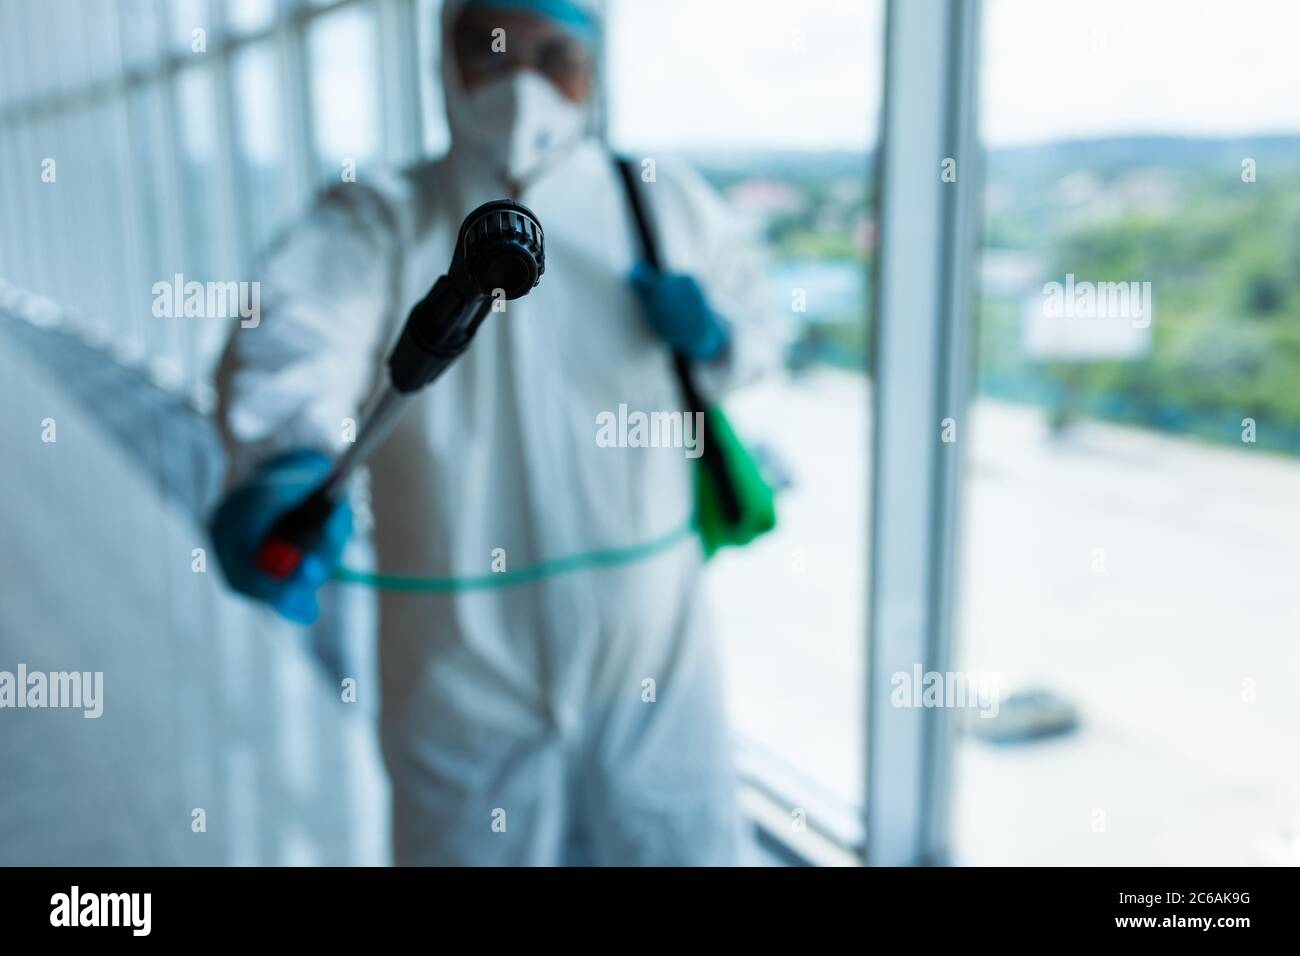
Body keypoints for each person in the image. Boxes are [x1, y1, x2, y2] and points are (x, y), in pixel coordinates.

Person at [211, 0, 777, 865]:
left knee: (678, 841)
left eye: (555, 56)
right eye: (491, 48)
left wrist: (720, 337)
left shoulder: (658, 205)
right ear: (445, 58)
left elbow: (757, 324)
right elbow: (298, 329)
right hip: (457, 668)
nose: (522, 83)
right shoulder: (383, 215)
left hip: (652, 652)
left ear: (593, 67)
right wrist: (289, 458)